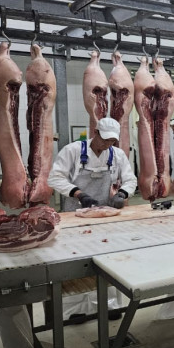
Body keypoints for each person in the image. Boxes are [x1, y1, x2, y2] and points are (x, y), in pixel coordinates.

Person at [47, 117, 138, 320]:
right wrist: (79, 194)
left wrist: (123, 193)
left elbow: (130, 179)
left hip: (106, 215)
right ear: (95, 133)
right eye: (104, 139)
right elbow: (55, 178)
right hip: (75, 214)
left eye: (111, 141)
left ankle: (110, 305)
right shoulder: (72, 150)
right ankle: (74, 309)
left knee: (109, 258)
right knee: (75, 260)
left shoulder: (117, 154)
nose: (107, 144)